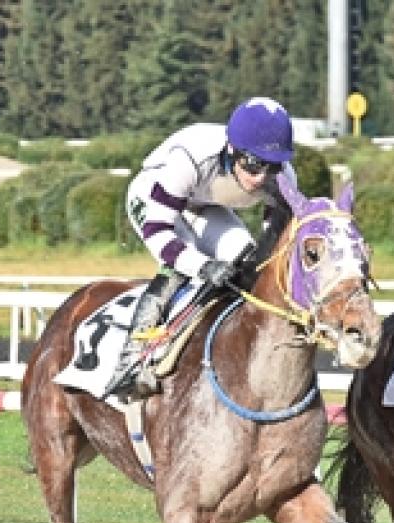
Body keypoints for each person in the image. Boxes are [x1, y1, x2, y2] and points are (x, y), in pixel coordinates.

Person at [104, 96, 298, 399]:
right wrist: (204, 266)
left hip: (204, 205)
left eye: (271, 167)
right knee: (183, 265)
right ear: (233, 150)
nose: (261, 177)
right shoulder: (191, 158)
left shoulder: (282, 178)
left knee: (244, 260)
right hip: (156, 199)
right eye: (254, 164)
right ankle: (131, 360)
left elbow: (273, 246)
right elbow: (159, 230)